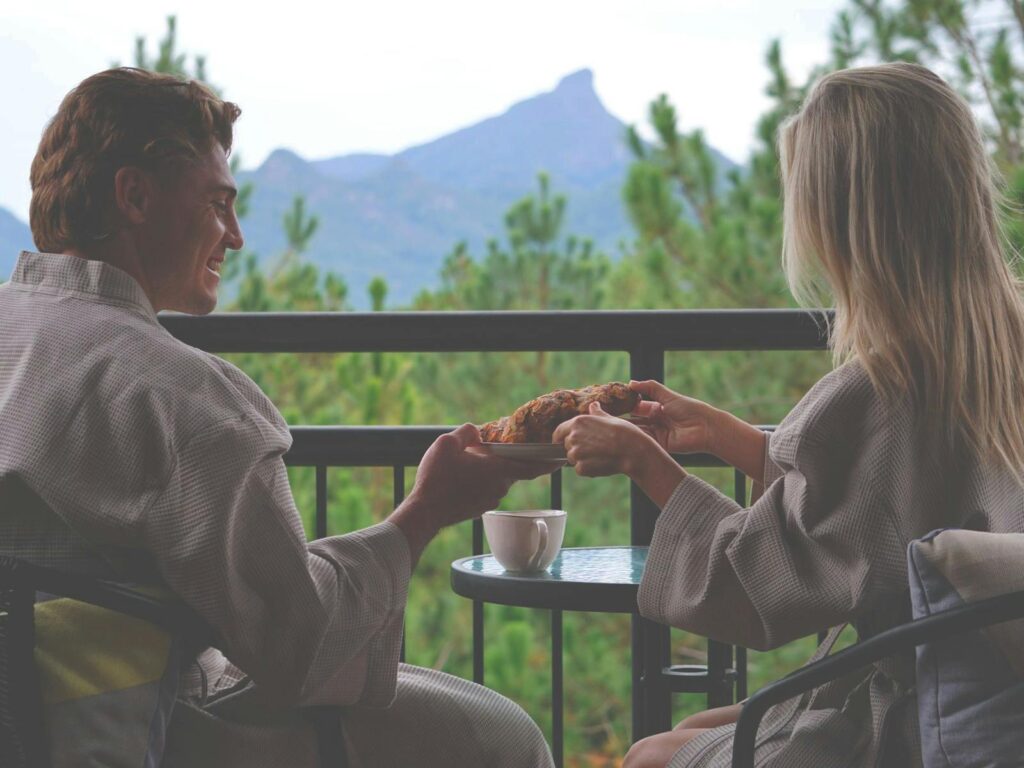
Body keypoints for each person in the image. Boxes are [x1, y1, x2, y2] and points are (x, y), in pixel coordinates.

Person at [0, 67, 556, 767]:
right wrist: (423, 513)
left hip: (21, 724)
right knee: (503, 735)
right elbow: (300, 644)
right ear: (135, 196)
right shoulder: (177, 398)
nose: (233, 236)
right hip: (149, 729)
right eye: (217, 203)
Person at [553, 61, 1024, 767]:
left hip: (929, 723)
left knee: (653, 755)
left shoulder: (887, 385)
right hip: (999, 689)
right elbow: (888, 498)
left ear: (841, 216)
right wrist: (727, 438)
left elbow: (754, 588)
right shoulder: (995, 342)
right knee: (704, 725)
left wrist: (644, 463)